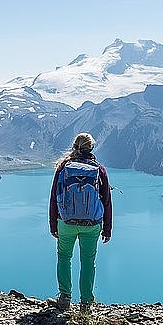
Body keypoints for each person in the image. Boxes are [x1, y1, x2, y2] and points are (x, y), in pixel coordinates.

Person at [49, 132, 112, 313]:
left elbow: (54, 198)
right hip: (92, 225)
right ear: (91, 148)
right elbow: (106, 200)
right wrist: (107, 229)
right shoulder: (99, 169)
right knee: (88, 262)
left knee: (64, 258)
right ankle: (85, 304)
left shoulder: (63, 167)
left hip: (66, 223)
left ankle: (64, 298)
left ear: (74, 146)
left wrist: (54, 225)